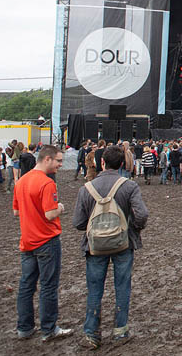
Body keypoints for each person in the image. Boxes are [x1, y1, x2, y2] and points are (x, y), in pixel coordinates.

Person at [72, 145, 149, 348]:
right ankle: (120, 331)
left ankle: (91, 333)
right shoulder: (129, 186)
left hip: (95, 246)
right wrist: (133, 229)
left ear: (101, 163)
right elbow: (142, 214)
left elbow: (78, 223)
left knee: (94, 288)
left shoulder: (85, 189)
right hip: (123, 243)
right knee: (122, 286)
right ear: (123, 164)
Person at [12, 145, 72, 342]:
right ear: (47, 159)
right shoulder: (47, 184)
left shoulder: (21, 181)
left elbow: (16, 211)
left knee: (26, 285)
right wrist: (60, 208)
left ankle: (24, 328)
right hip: (46, 240)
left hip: (27, 241)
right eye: (58, 161)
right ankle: (48, 328)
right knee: (48, 286)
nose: (60, 165)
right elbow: (49, 214)